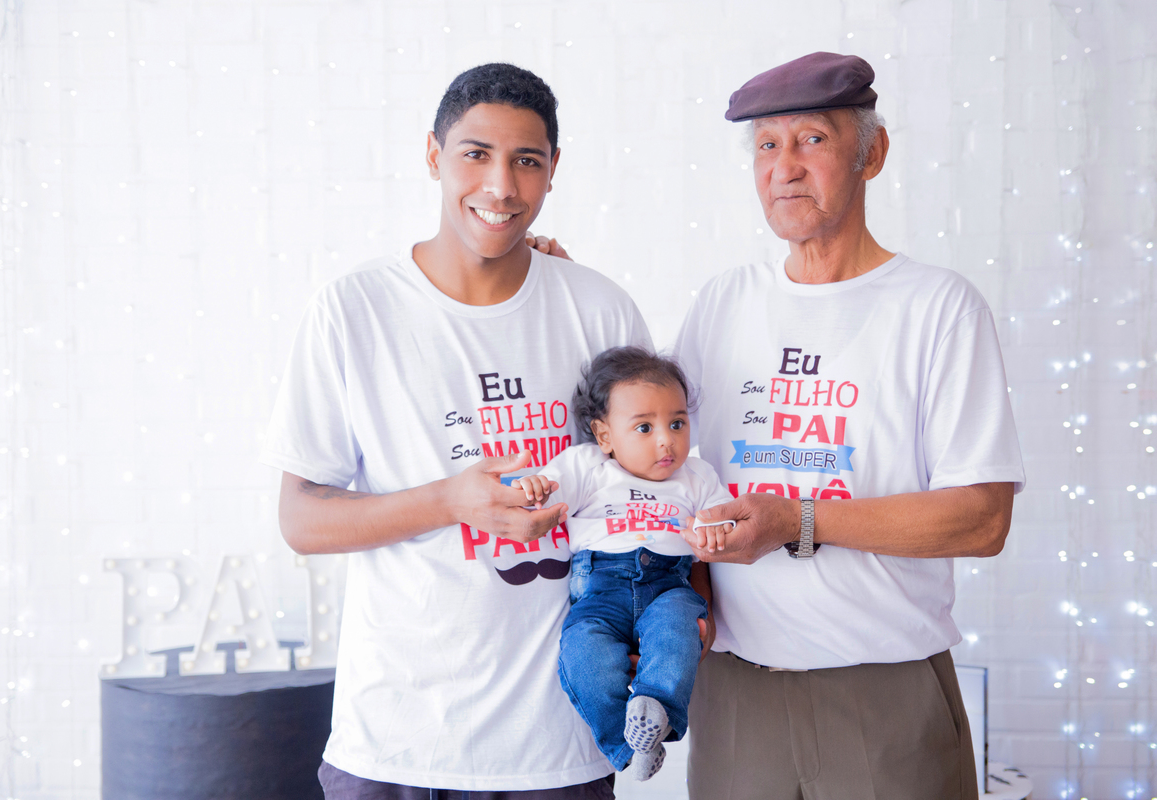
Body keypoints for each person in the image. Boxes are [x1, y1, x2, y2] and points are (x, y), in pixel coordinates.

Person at [260, 63, 651, 799]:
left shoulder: (600, 311)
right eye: (476, 154)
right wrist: (448, 501)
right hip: (393, 747)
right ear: (433, 155)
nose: (501, 186)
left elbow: (644, 492)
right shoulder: (353, 309)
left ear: (553, 169)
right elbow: (301, 520)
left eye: (526, 160)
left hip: (556, 749)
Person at [674, 52, 1026, 800]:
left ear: (873, 152)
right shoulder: (722, 302)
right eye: (767, 146)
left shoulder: (938, 307)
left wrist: (797, 520)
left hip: (886, 697)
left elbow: (982, 519)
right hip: (735, 695)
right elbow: (657, 462)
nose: (785, 168)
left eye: (813, 140)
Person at [511, 347, 734, 782]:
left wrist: (716, 530)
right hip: (601, 591)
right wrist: (534, 486)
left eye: (677, 423)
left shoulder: (697, 476)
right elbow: (547, 492)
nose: (666, 440)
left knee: (677, 635)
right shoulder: (587, 466)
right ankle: (626, 741)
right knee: (582, 657)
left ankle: (656, 707)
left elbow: (722, 517)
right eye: (645, 428)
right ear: (604, 435)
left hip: (669, 586)